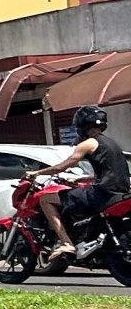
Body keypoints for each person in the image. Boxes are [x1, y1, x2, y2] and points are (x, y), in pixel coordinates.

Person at [39, 105, 128, 265]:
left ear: (81, 125)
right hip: (120, 193)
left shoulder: (88, 144)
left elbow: (61, 167)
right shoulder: (111, 143)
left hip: (102, 194)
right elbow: (107, 172)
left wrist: (36, 173)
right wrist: (79, 180)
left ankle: (67, 243)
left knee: (45, 199)